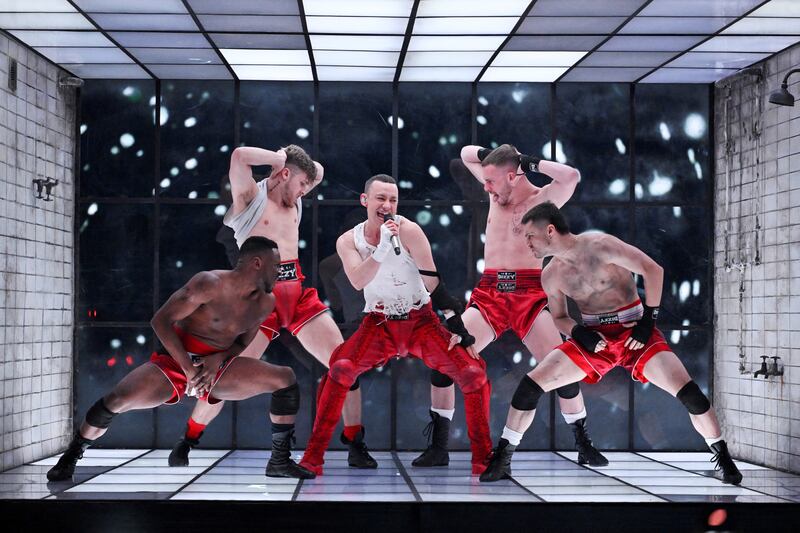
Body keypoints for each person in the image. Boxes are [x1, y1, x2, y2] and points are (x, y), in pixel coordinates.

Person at [479, 203, 742, 485]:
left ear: (550, 230)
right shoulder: (550, 274)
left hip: (635, 334)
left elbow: (653, 270)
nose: (527, 242)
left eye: (530, 235)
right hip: (595, 341)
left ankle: (723, 457)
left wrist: (647, 323)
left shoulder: (601, 245)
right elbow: (559, 317)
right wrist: (579, 333)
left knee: (691, 395)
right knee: (530, 387)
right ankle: (503, 458)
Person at [168, 145, 375, 470]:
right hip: (255, 301)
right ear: (284, 174)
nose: (307, 190)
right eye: (302, 184)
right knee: (222, 377)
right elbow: (238, 157)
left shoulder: (294, 197)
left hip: (296, 294)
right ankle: (189, 439)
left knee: (345, 362)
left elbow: (316, 170)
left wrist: (295, 167)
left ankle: (355, 442)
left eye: (307, 186)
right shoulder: (250, 198)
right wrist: (280, 159)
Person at [47, 237, 314, 481]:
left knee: (285, 378)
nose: (280, 271)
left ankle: (280, 461)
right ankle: (73, 453)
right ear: (257, 263)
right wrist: (188, 369)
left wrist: (218, 358)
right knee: (116, 401)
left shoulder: (266, 303)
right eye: (276, 265)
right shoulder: (209, 283)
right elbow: (161, 321)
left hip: (216, 368)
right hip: (175, 363)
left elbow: (243, 343)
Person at [414, 144, 608, 468]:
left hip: (528, 294)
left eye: (491, 181)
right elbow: (465, 153)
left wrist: (530, 162)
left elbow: (572, 177)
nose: (485, 188)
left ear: (513, 175)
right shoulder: (495, 192)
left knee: (560, 366)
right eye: (485, 181)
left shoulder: (540, 202)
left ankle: (582, 440)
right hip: (490, 292)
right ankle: (439, 445)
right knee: (444, 357)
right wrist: (500, 155)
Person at [299, 174, 492, 476]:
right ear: (365, 201)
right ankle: (312, 460)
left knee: (473, 374)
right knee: (340, 370)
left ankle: (483, 461)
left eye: (392, 200)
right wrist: (383, 248)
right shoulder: (349, 240)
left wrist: (458, 326)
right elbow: (359, 280)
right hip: (378, 323)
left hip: (421, 321)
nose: (387, 206)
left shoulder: (410, 230)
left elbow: (432, 282)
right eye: (380, 198)